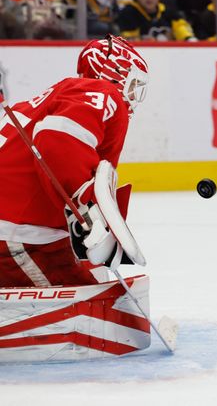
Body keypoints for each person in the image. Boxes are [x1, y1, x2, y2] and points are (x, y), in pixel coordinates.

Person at [0, 36, 148, 288]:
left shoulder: (55, 97)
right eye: (134, 84)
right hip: (18, 232)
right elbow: (57, 140)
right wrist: (84, 209)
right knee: (90, 301)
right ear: (115, 73)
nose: (134, 95)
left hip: (17, 226)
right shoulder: (103, 91)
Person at [117, 0, 196, 41]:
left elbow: (185, 33)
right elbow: (130, 42)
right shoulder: (128, 13)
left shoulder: (168, 12)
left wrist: (189, 39)